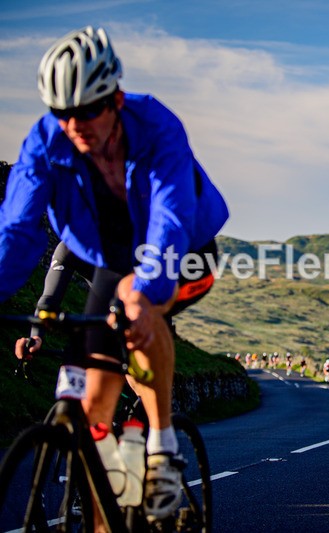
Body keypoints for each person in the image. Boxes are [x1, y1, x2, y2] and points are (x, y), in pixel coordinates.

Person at [0, 26, 229, 522]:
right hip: (113, 259)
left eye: (86, 111)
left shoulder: (156, 126)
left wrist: (146, 295)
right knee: (92, 411)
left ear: (115, 98)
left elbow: (170, 220)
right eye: (62, 113)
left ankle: (163, 453)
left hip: (184, 249)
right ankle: (111, 502)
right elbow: (18, 233)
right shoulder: (44, 144)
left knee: (135, 304)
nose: (75, 124)